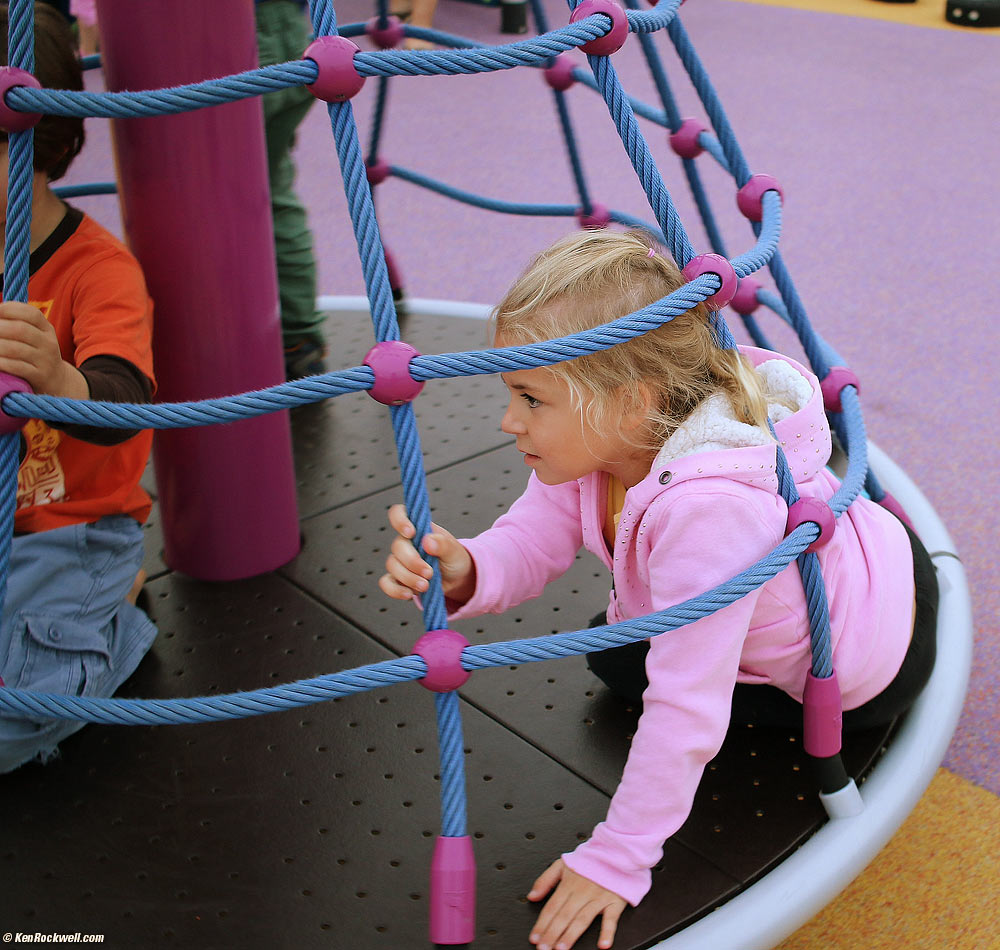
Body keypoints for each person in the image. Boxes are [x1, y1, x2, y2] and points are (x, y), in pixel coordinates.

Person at [378, 230, 938, 950]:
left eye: (529, 398)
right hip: (870, 552)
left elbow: (687, 710)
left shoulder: (710, 514)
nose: (508, 420)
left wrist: (618, 861)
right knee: (623, 658)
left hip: (873, 654)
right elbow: (530, 538)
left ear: (633, 401)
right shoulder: (598, 442)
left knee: (636, 673)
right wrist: (468, 571)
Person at [0, 4, 157, 772]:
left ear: (46, 143)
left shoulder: (97, 269)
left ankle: (118, 614)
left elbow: (125, 400)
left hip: (72, 531)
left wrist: (58, 377)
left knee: (13, 719)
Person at [254, 0, 326, 380]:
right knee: (273, 186)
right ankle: (300, 338)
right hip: (297, 37)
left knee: (200, 196)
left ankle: (218, 338)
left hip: (237, 39)